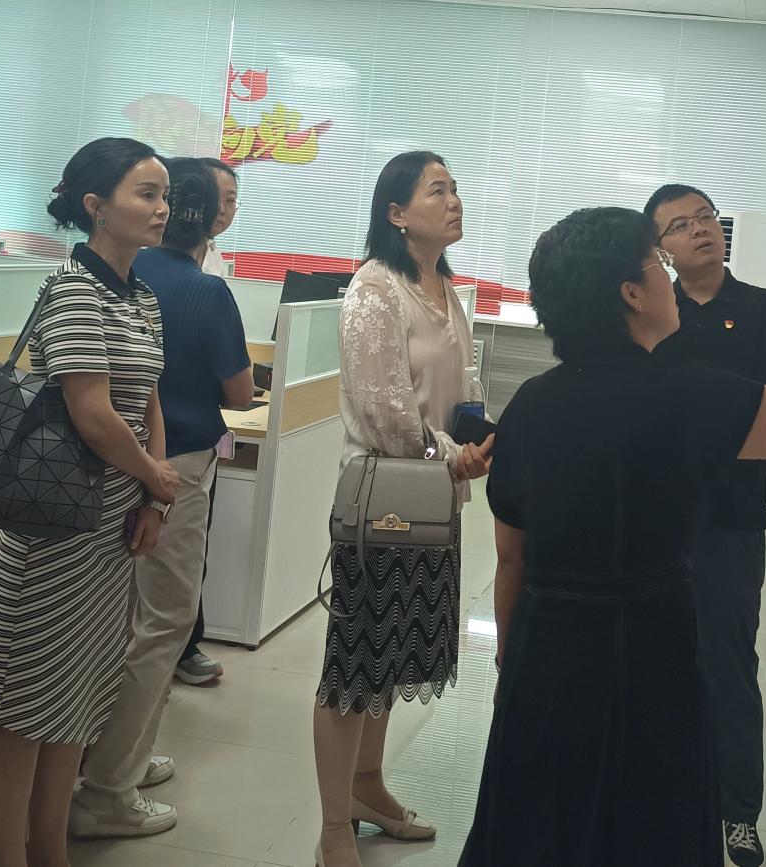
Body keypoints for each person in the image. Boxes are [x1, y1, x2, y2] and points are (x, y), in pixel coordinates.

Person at [459, 207, 766, 867]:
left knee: (541, 829)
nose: (669, 277)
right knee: (650, 830)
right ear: (632, 294)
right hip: (650, 652)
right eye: (657, 264)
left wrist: (508, 666)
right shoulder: (688, 396)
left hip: (544, 657)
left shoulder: (529, 405)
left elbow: (511, 557)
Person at [0, 137, 180, 867]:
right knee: (22, 709)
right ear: (96, 206)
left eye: (165, 194)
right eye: (146, 193)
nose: (162, 207)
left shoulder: (141, 297)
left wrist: (153, 497)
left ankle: (51, 850)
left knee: (74, 700)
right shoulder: (72, 290)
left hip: (111, 529)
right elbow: (93, 414)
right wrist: (154, 476)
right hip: (54, 526)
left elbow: (147, 401)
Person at [313, 150, 494, 867]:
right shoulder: (374, 289)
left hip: (434, 496)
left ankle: (368, 787)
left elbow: (462, 386)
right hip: (386, 500)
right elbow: (385, 411)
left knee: (392, 655)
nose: (454, 201)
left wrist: (477, 441)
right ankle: (333, 827)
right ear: (396, 213)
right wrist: (452, 454)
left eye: (455, 188)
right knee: (354, 664)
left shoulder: (444, 287)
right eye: (437, 190)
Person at [70, 157, 254, 838]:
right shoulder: (204, 292)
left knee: (118, 620)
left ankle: (116, 754)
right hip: (169, 468)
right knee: (165, 621)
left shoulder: (127, 278)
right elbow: (240, 393)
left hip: (113, 465)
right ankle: (108, 788)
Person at [645, 183, 766, 867]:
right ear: (662, 249)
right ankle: (660, 797)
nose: (700, 230)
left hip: (732, 521)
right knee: (655, 660)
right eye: (681, 225)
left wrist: (706, 429)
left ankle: (738, 812)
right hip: (656, 518)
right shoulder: (655, 311)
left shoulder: (765, 310)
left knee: (730, 665)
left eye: (706, 217)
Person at [172, 155, 243, 688]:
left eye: (232, 200)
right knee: (171, 572)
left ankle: (184, 645)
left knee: (184, 558)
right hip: (178, 444)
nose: (223, 209)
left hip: (189, 433)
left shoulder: (215, 263)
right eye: (217, 198)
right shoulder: (180, 273)